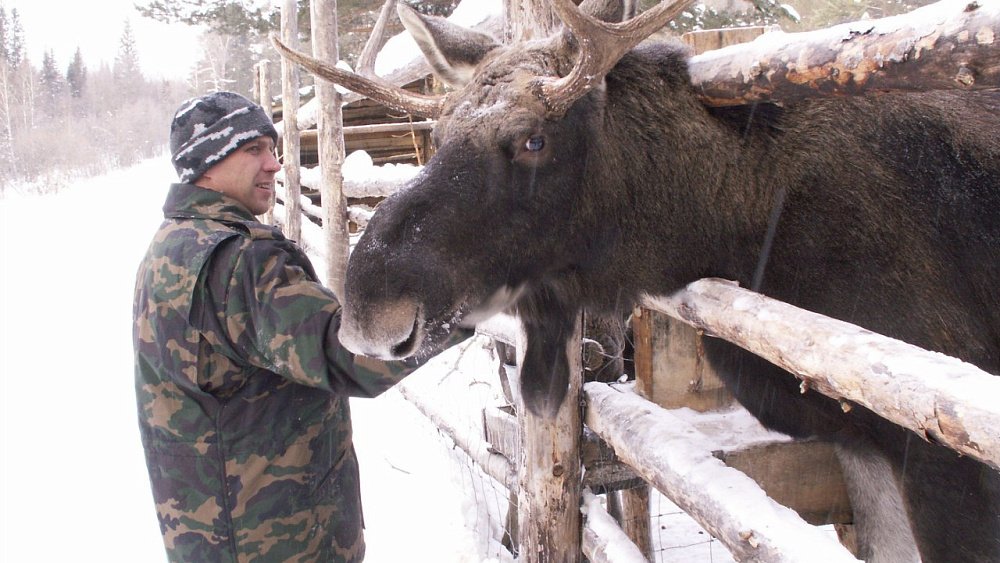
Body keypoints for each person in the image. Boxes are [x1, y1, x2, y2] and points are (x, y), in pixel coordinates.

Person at [133, 91, 467, 562]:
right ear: (207, 162)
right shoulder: (240, 262)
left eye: (272, 148)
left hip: (215, 536)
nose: (274, 164)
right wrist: (466, 304)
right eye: (254, 150)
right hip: (280, 541)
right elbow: (350, 358)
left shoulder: (173, 244)